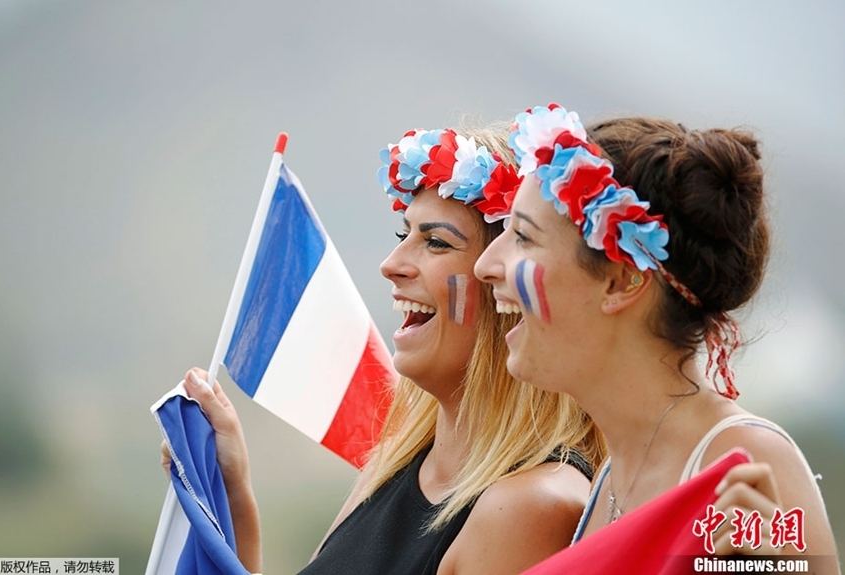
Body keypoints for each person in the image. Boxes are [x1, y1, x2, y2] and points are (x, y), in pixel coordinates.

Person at [166, 122, 605, 574]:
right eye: (403, 236)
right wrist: (232, 495)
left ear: (508, 287)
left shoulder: (531, 506)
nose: (391, 265)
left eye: (435, 242)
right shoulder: (393, 464)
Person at [474, 104, 839, 569]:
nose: (485, 267)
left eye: (523, 237)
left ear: (622, 281)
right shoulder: (611, 475)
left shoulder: (743, 464)